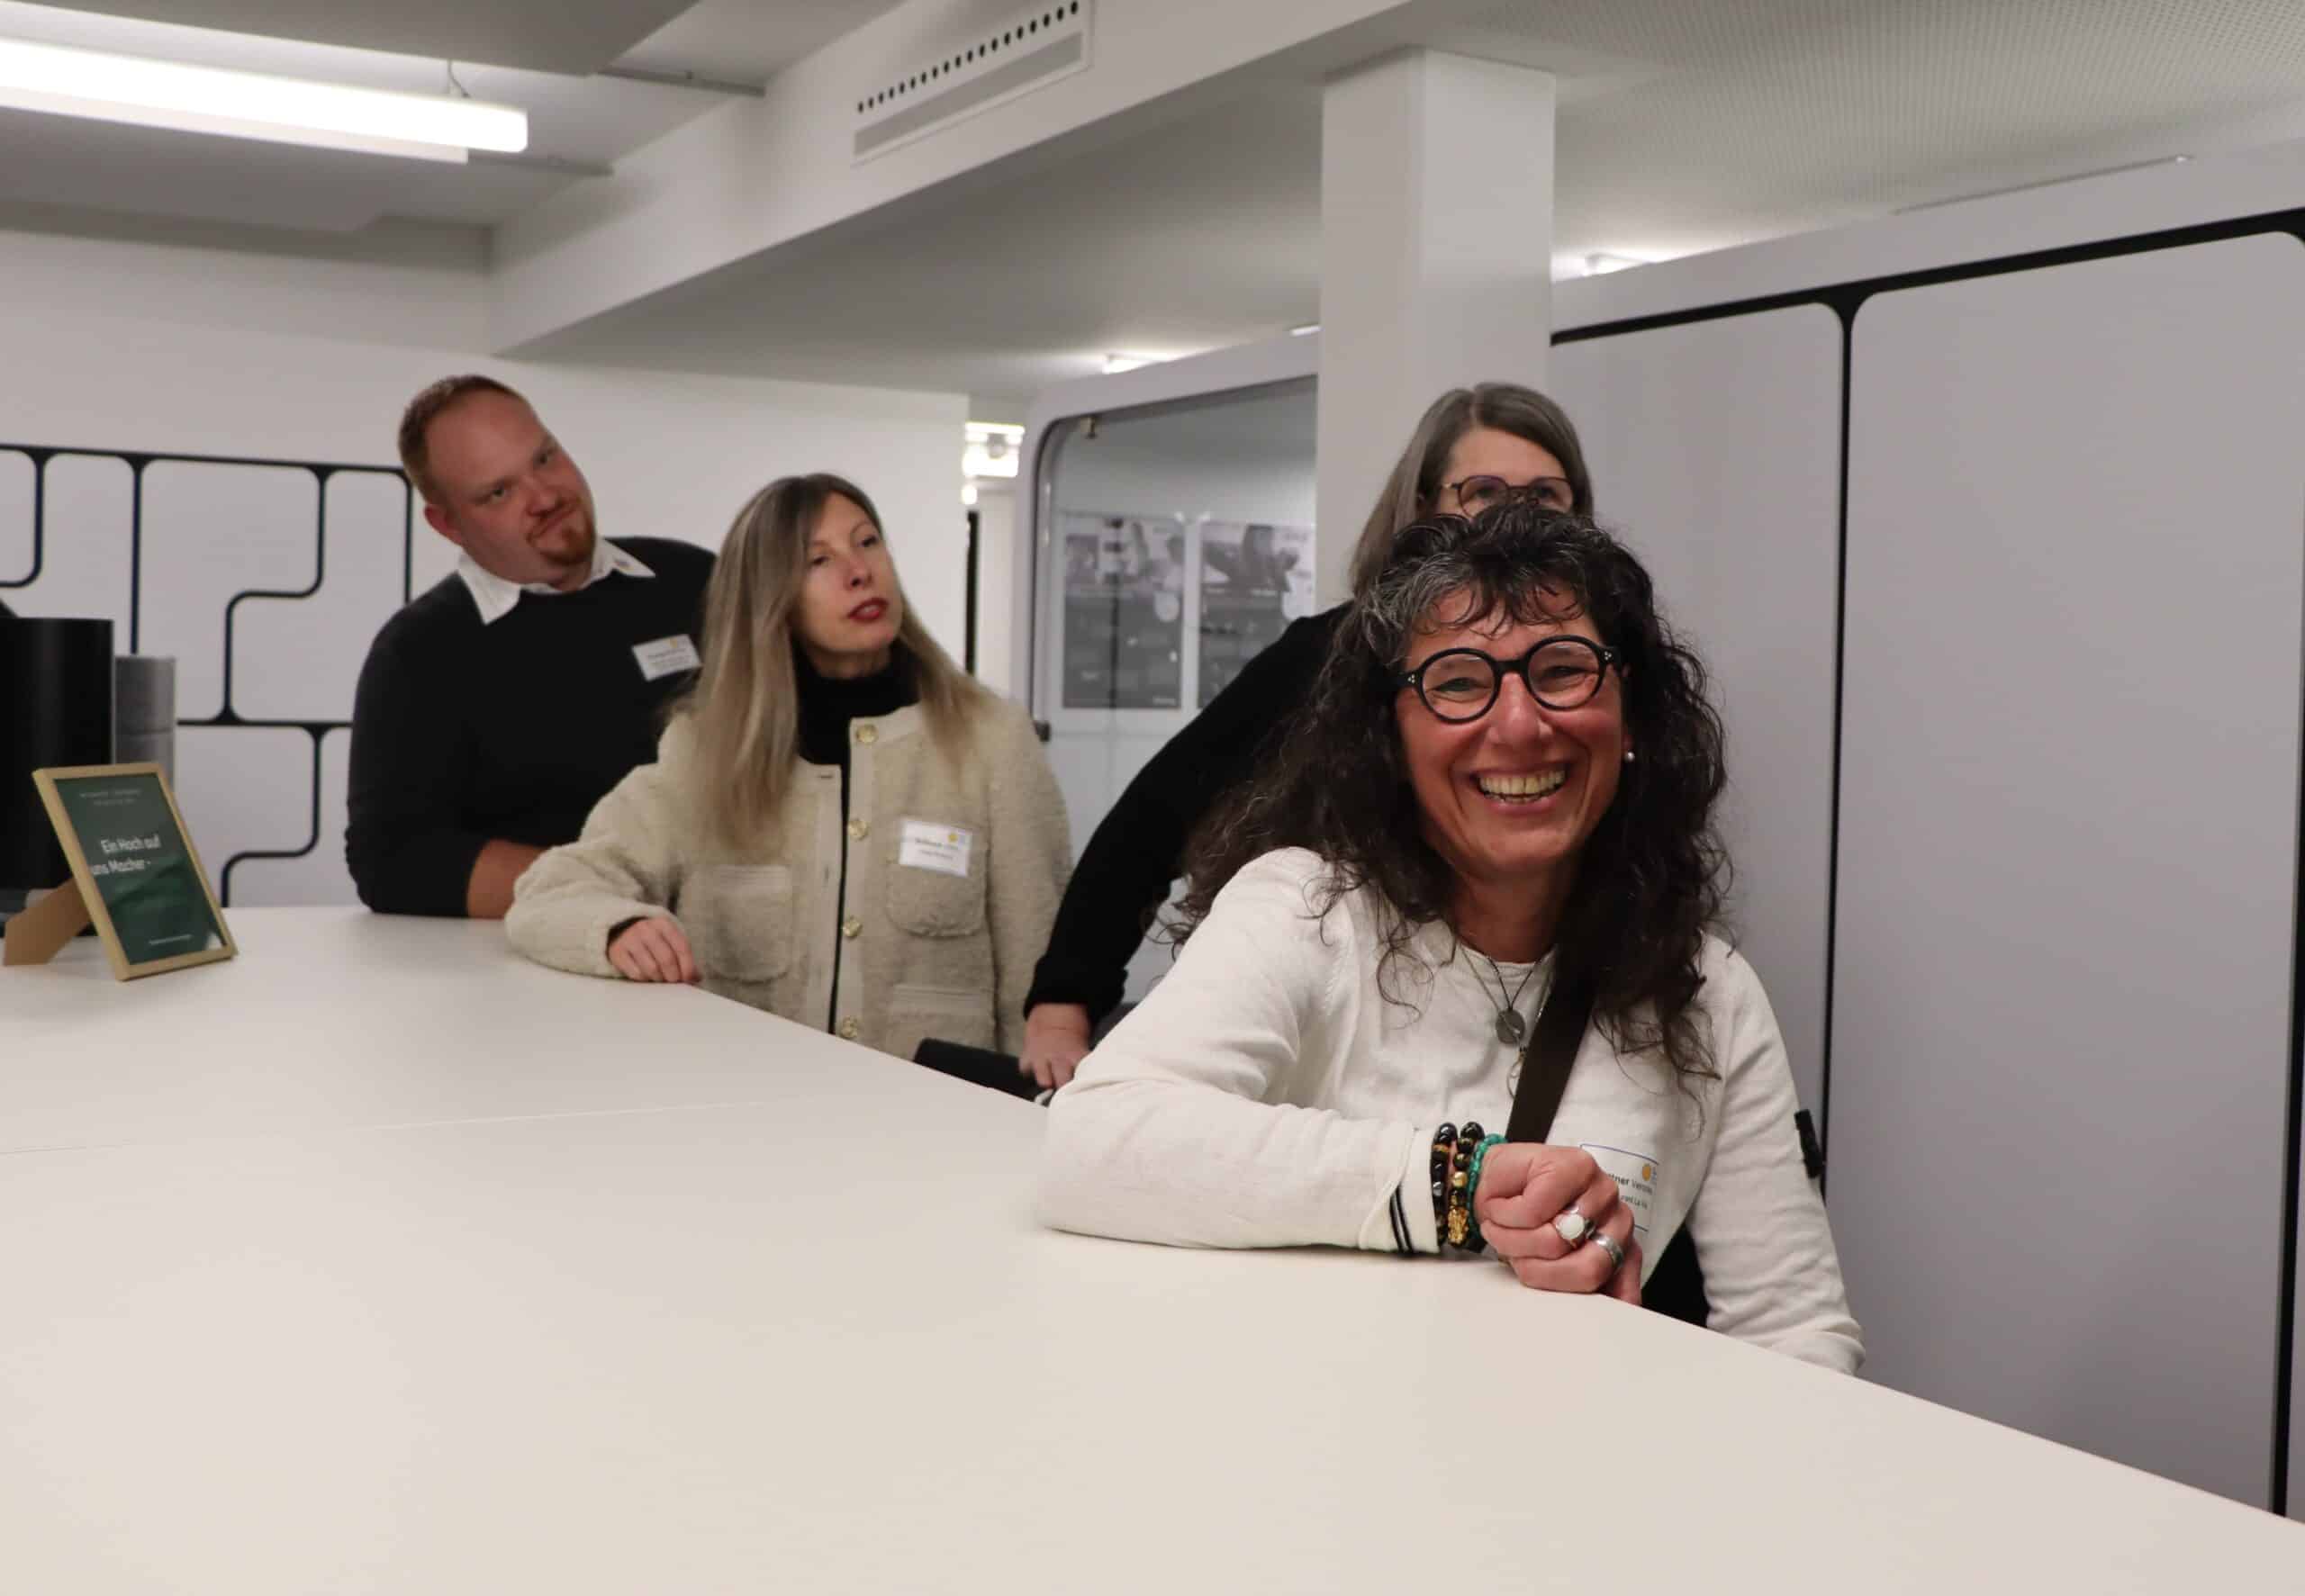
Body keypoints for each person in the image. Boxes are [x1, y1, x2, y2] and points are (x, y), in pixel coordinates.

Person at [1038, 504, 1861, 1373]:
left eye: (1563, 669)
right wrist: (1456, 1183)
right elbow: (1091, 1144)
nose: (1520, 724)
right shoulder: (1306, 911)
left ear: (1632, 719)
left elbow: (1797, 1333)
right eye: (1460, 682)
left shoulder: (1707, 992)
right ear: (1389, 736)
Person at [1019, 383, 1587, 1090]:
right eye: (1484, 492)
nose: (1514, 519)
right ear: (1423, 508)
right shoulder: (1325, 659)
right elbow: (1152, 818)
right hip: (1355, 1044)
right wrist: (1065, 998)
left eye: (1544, 496)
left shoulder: (1604, 679)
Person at [505, 473, 1071, 1063]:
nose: (859, 571)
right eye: (818, 560)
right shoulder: (705, 752)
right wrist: (618, 928)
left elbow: (1039, 965)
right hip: (748, 1103)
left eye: (867, 542)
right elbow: (552, 891)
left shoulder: (992, 740)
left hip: (937, 1110)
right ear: (769, 598)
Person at [346, 374, 714, 918]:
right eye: (499, 492)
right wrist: (610, 897)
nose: (545, 497)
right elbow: (393, 859)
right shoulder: (419, 652)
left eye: (545, 458)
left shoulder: (699, 580)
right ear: (447, 524)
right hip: (556, 956)